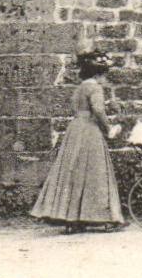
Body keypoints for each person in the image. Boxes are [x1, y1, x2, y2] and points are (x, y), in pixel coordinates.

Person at [30, 51, 125, 233]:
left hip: (75, 130)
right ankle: (102, 218)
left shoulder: (80, 87)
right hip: (89, 129)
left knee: (73, 170)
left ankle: (72, 219)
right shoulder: (95, 88)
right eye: (104, 75)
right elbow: (97, 110)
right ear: (98, 74)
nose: (105, 79)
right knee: (95, 171)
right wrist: (109, 128)